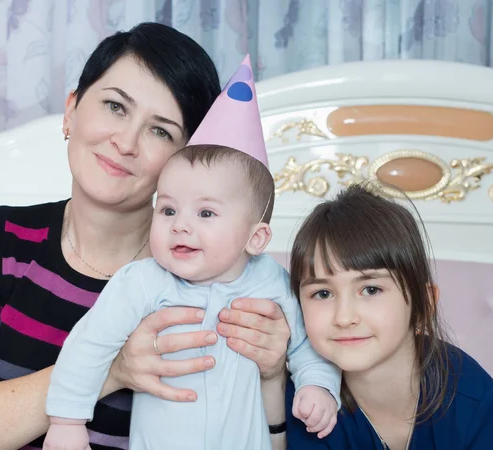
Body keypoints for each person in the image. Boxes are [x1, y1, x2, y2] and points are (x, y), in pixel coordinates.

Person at [0, 23, 292, 450]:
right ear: (71, 110)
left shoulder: (223, 279)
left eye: (160, 130)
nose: (125, 142)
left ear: (189, 161)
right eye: (115, 106)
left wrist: (273, 377)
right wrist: (110, 369)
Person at [42, 57, 341, 450]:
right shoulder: (144, 281)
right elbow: (89, 345)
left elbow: (308, 344)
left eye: (205, 213)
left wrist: (318, 386)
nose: (180, 225)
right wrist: (67, 421)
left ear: (256, 238)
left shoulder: (271, 282)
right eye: (167, 210)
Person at [285, 184, 493, 449]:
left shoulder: (471, 398)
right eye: (323, 294)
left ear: (422, 305)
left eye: (371, 289)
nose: (344, 317)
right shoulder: (306, 402)